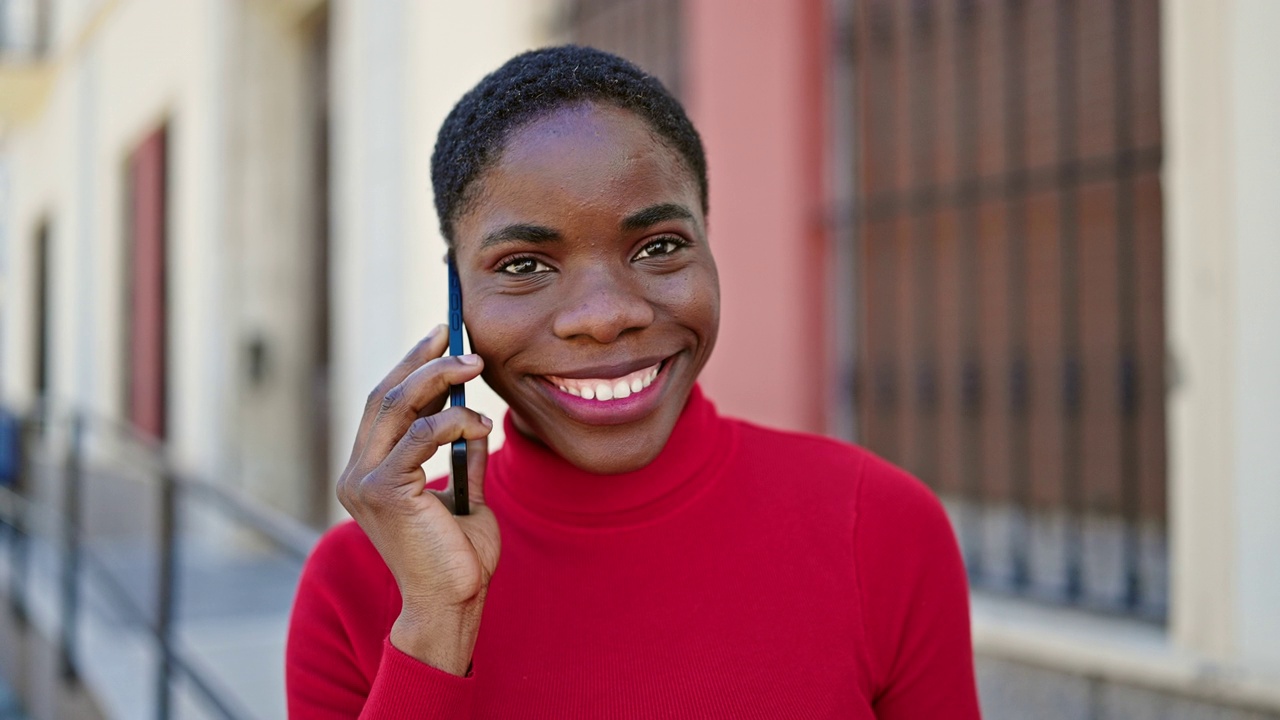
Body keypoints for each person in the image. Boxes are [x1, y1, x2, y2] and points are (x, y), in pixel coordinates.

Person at [286, 45, 980, 719]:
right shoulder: (358, 581)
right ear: (456, 295)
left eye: (658, 247)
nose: (606, 316)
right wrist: (438, 621)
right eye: (525, 265)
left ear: (708, 243)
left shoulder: (879, 526)